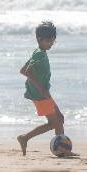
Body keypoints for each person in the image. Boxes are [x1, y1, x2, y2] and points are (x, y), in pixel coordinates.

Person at [17, 20, 66, 156]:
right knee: (55, 122)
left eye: (53, 41)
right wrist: (40, 87)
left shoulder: (39, 52)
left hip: (43, 92)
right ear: (40, 39)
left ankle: (61, 147)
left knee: (58, 119)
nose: (51, 44)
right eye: (49, 41)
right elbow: (26, 71)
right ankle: (25, 138)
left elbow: (22, 70)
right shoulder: (39, 54)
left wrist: (43, 89)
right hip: (40, 94)